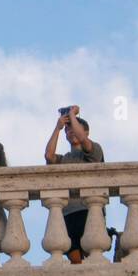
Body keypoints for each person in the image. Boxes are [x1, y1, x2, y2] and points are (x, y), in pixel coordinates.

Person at [44, 106, 105, 264]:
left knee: (92, 256)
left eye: (74, 129)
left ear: (86, 132)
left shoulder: (95, 150)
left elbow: (83, 140)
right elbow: (49, 156)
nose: (70, 132)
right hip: (68, 212)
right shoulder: (65, 158)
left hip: (89, 209)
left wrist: (71, 115)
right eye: (67, 131)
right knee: (75, 259)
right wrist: (58, 128)